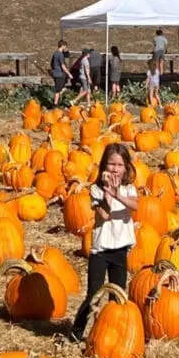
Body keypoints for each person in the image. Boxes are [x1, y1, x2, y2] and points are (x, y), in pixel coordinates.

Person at [71, 143, 139, 339]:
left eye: (119, 165)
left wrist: (118, 193)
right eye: (111, 164)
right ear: (103, 166)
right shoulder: (95, 190)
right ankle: (76, 333)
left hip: (121, 250)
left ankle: (113, 333)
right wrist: (108, 194)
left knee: (117, 296)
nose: (115, 169)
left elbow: (135, 205)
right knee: (93, 295)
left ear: (126, 167)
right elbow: (104, 215)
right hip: (100, 252)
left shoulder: (128, 188)